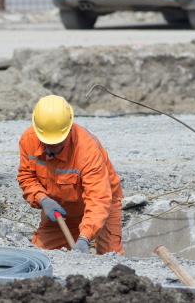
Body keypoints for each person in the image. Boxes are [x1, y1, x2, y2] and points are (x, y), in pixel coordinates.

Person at [17, 95, 123, 255]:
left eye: (58, 142)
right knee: (40, 258)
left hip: (102, 204)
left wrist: (85, 238)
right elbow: (27, 177)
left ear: (69, 129)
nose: (52, 146)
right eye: (48, 142)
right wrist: (43, 200)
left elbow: (98, 198)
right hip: (60, 208)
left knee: (110, 259)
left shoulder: (87, 150)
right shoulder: (28, 140)